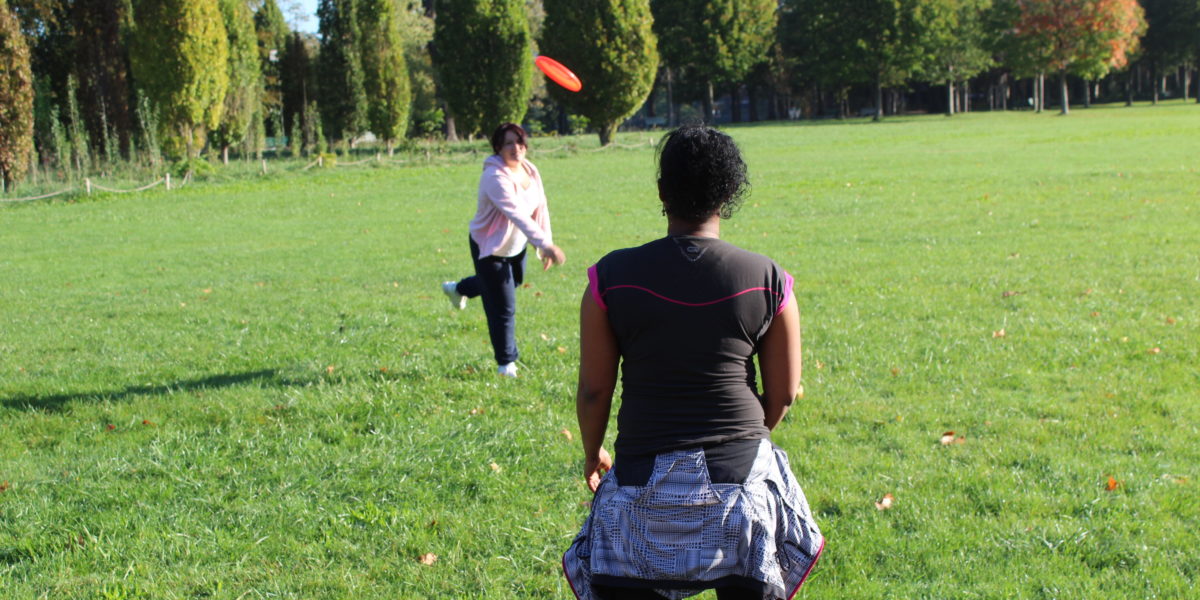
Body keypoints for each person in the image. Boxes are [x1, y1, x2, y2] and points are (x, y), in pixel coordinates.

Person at [562, 125, 824, 600]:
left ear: (662, 191)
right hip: (743, 494)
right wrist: (742, 441)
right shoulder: (768, 279)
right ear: (728, 192)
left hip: (640, 490)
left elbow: (595, 391)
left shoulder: (611, 277)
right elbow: (783, 393)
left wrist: (592, 451)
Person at [442, 123, 565, 378]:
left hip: (516, 245)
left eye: (519, 142)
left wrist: (544, 244)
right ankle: (506, 364)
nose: (515, 148)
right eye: (508, 143)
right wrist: (545, 244)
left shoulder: (530, 170)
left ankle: (458, 289)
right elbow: (516, 213)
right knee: (503, 306)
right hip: (490, 248)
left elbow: (540, 208)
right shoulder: (494, 177)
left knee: (510, 283)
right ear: (498, 147)